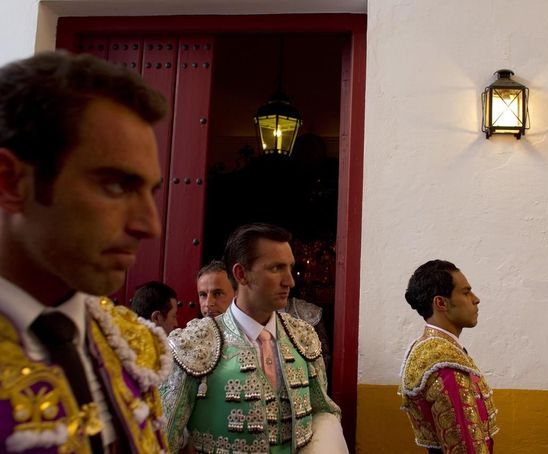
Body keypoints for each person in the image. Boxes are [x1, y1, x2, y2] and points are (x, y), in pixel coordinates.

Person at [0, 51, 171, 452]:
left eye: (151, 191)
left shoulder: (132, 344)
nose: (151, 226)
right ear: (10, 182)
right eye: (115, 186)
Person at [161, 223, 347, 454]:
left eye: (290, 267)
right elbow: (162, 439)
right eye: (276, 268)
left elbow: (323, 411)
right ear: (241, 274)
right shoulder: (194, 343)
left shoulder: (303, 336)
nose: (290, 281)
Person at [399, 260, 499, 454]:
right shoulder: (446, 364)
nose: (475, 299)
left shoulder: (428, 349)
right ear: (441, 303)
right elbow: (466, 446)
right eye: (465, 292)